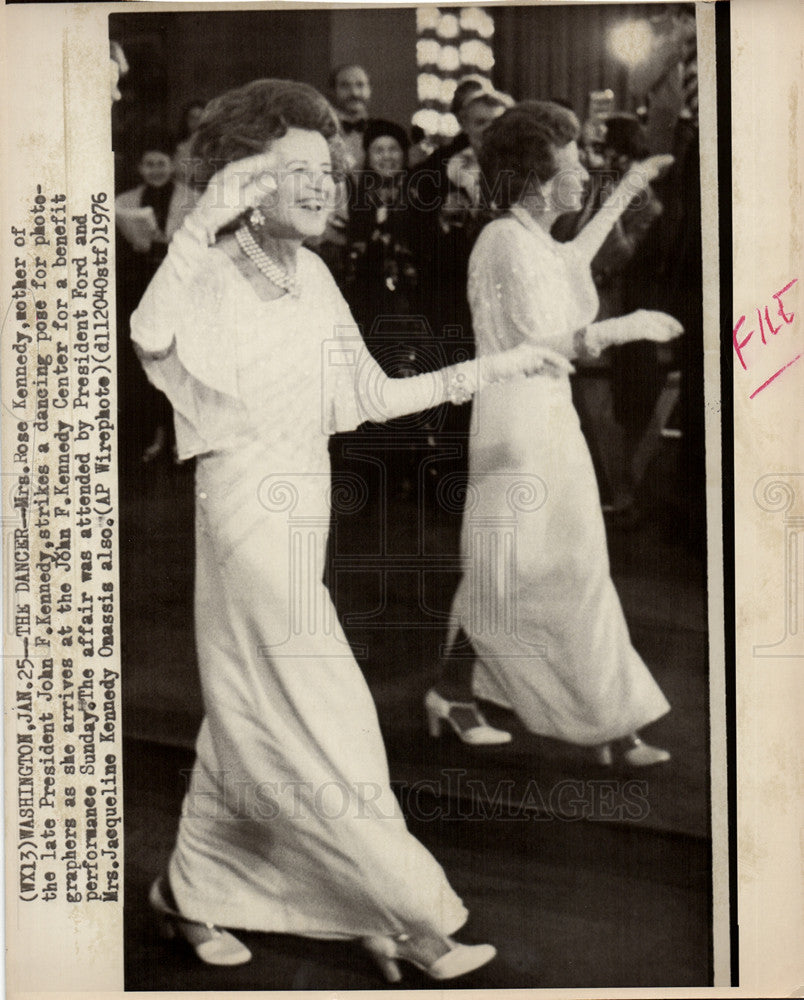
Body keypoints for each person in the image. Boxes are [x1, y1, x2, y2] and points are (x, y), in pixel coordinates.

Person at [130, 79, 570, 979]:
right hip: (246, 520)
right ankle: (409, 915)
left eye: (326, 170)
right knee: (326, 716)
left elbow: (369, 397)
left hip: (305, 519)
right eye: (297, 171)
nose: (324, 183)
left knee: (249, 715)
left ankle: (188, 893)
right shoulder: (210, 270)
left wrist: (498, 364)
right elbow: (148, 332)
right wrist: (199, 222)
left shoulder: (317, 275)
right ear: (245, 179)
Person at [427, 102, 683, 767]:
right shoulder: (501, 242)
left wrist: (627, 192)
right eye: (575, 165)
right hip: (513, 417)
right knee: (510, 569)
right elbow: (532, 341)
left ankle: (608, 718)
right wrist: (619, 330)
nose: (586, 175)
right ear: (539, 178)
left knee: (570, 565)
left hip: (550, 414)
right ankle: (462, 696)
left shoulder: (533, 238)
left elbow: (572, 262)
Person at [115, 134, 196, 464]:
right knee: (149, 363)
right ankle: (157, 434)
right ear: (139, 168)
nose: (156, 170)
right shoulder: (125, 200)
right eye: (149, 164)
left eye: (161, 163)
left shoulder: (192, 198)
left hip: (180, 288)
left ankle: (182, 437)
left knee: (181, 362)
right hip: (143, 287)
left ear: (173, 165)